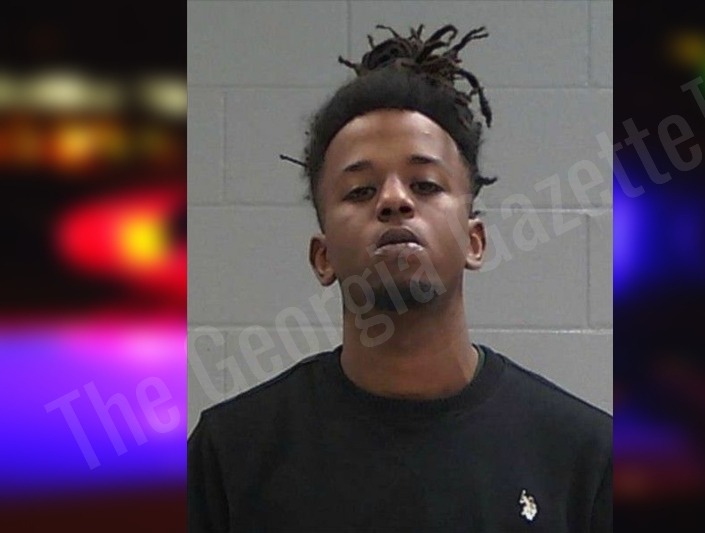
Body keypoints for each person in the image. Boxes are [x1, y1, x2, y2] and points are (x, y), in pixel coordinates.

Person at [188, 24, 611, 532]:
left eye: (425, 184)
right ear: (323, 258)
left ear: (474, 241)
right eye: (360, 191)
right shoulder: (230, 455)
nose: (394, 199)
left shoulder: (583, 457)